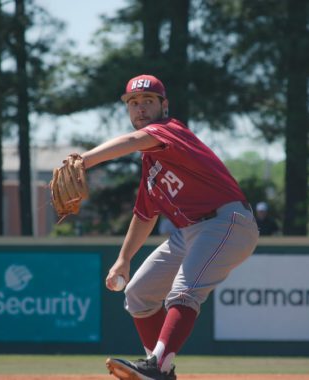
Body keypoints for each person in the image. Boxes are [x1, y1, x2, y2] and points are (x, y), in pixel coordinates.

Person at [72, 74, 259, 380]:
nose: (140, 108)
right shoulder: (151, 165)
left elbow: (134, 141)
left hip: (227, 222)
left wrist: (86, 159)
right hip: (190, 232)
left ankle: (157, 366)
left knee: (183, 292)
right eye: (133, 103)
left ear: (164, 105)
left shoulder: (170, 131)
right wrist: (123, 260)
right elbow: (145, 215)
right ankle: (160, 369)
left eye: (148, 101)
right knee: (138, 293)